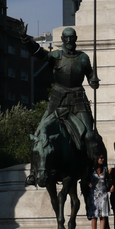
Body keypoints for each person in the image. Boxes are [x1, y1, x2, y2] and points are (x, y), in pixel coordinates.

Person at [18, 22, 100, 185]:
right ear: (62, 39)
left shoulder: (83, 57)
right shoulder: (56, 56)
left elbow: (90, 75)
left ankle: (91, 168)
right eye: (67, 38)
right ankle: (34, 173)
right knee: (40, 133)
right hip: (58, 99)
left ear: (76, 39)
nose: (69, 40)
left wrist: (93, 81)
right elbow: (38, 52)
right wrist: (25, 38)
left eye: (72, 38)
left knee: (90, 135)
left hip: (78, 99)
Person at [87, 154, 112, 229]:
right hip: (94, 194)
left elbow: (109, 179)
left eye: (103, 158)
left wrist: (111, 186)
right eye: (100, 158)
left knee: (103, 216)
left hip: (103, 194)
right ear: (96, 159)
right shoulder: (91, 169)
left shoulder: (105, 169)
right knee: (94, 216)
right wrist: (88, 183)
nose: (102, 159)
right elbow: (85, 178)